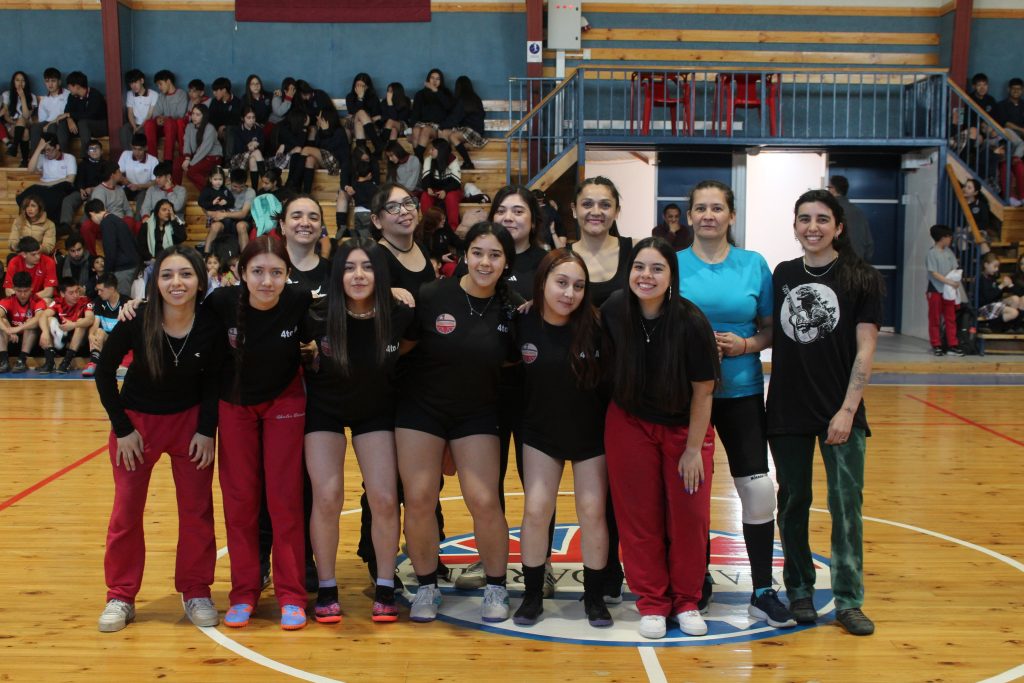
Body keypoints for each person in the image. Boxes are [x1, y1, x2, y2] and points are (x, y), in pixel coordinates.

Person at [676, 179, 796, 628]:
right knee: (692, 491)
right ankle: (695, 580)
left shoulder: (753, 265)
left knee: (757, 489)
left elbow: (770, 330)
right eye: (700, 208)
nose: (709, 215)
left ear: (731, 216)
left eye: (717, 208)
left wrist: (745, 345)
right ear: (689, 216)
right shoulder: (672, 263)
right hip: (686, 397)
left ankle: (763, 589)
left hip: (742, 392)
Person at [767, 188, 884, 637]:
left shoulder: (861, 278)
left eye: (821, 219)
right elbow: (774, 334)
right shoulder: (783, 275)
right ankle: (799, 589)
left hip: (841, 412)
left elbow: (866, 351)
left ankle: (850, 600)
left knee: (845, 506)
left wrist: (847, 410)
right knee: (793, 503)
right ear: (795, 225)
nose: (811, 226)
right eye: (803, 218)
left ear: (838, 226)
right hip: (788, 409)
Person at [397, 222, 521, 624]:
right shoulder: (433, 295)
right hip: (422, 410)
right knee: (418, 497)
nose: (486, 262)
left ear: (506, 262)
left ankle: (496, 587)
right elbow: (403, 350)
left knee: (484, 500)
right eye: (479, 252)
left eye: (495, 255)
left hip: (477, 414)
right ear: (465, 255)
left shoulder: (512, 308)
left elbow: (513, 363)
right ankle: (426, 586)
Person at [93, 246, 221, 633]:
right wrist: (123, 429)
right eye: (167, 275)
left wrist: (206, 429)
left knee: (197, 510)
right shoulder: (138, 318)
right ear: (154, 281)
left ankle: (196, 589)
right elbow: (103, 374)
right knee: (126, 512)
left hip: (190, 425)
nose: (176, 283)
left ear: (200, 281)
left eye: (185, 274)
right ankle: (121, 595)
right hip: (137, 427)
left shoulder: (211, 322)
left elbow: (215, 381)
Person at [601, 237, 719, 639]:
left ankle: (686, 600)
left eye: (657, 269)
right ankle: (651, 602)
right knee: (638, 517)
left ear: (672, 276)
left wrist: (692, 450)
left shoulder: (691, 321)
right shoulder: (615, 309)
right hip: (629, 424)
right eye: (639, 267)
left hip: (685, 430)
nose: (646, 276)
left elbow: (703, 390)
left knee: (689, 517)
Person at [303, 237, 413, 623]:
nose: (358, 274)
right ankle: (328, 586)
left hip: (375, 412)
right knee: (328, 495)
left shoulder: (398, 313)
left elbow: (414, 347)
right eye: (349, 267)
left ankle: (385, 584)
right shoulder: (315, 313)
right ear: (337, 275)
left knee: (384, 498)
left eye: (367, 267)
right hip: (325, 411)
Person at [205, 235, 313, 630]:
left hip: (285, 403)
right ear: (241, 273)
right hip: (235, 406)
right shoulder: (220, 303)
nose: (267, 281)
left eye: (276, 272)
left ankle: (291, 595)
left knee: (284, 500)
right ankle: (244, 592)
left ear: (288, 274)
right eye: (258, 272)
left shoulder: (299, 302)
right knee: (239, 500)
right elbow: (170, 309)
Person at [512, 249, 612, 628]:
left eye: (579, 286)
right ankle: (532, 594)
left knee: (592, 511)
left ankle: (595, 598)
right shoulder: (522, 322)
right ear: (542, 283)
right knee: (537, 510)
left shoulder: (599, 325)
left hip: (590, 435)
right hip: (540, 433)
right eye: (561, 283)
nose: (569, 293)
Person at [566, 176, 630, 600]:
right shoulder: (560, 259)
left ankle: (615, 566)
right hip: (574, 383)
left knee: (619, 483)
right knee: (581, 483)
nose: (595, 211)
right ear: (573, 210)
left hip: (623, 382)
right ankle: (588, 567)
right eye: (587, 203)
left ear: (616, 211)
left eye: (604, 204)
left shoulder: (635, 253)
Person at [85, 198, 140, 298]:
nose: (93, 222)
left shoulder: (106, 223)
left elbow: (110, 250)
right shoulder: (116, 219)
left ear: (92, 213)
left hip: (123, 268)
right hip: (132, 264)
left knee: (123, 302)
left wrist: (107, 273)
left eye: (91, 218)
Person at [18, 133, 76, 226]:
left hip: (61, 185)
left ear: (57, 147)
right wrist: (39, 149)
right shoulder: (43, 157)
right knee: (23, 197)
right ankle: (25, 225)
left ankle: (48, 226)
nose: (47, 153)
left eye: (49, 150)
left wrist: (48, 184)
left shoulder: (69, 158)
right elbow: (30, 170)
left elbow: (70, 179)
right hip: (44, 186)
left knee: (50, 198)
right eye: (44, 151)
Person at [39, 277, 94, 374]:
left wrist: (73, 324)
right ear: (62, 294)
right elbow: (43, 315)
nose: (76, 295)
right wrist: (45, 333)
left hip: (79, 339)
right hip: (61, 335)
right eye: (71, 293)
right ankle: (50, 362)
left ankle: (66, 362)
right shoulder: (58, 302)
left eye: (77, 291)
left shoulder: (85, 301)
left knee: (81, 322)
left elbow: (90, 319)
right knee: (48, 319)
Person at [925, 224, 964, 356]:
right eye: (949, 236)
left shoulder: (949, 252)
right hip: (935, 290)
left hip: (948, 291)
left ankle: (952, 344)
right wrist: (949, 281)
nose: (951, 239)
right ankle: (936, 344)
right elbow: (933, 273)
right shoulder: (932, 253)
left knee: (950, 318)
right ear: (942, 238)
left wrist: (955, 280)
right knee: (935, 318)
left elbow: (955, 268)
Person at [0, 271, 48, 374]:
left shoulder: (38, 301)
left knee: (32, 322)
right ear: (13, 289)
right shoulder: (8, 300)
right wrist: (8, 331)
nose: (22, 295)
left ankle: (22, 360)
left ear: (31, 288)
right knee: (2, 321)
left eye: (26, 291)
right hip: (12, 338)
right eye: (19, 291)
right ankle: (3, 360)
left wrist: (18, 328)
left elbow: (40, 317)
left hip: (32, 342)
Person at [440, 76, 486, 169]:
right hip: (472, 130)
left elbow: (454, 118)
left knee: (453, 136)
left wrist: (441, 125)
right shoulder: (476, 98)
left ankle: (468, 162)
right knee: (444, 133)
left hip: (473, 132)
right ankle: (444, 162)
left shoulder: (462, 100)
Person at [84, 273, 125, 378]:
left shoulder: (127, 302)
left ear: (111, 289)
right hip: (105, 341)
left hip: (121, 342)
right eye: (97, 290)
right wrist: (91, 335)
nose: (98, 293)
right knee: (98, 332)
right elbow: (95, 323)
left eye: (101, 290)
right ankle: (94, 362)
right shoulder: (99, 302)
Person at [56, 71, 108, 153]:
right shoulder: (72, 96)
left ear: (77, 86)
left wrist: (69, 115)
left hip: (100, 125)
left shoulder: (95, 95)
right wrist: (69, 119)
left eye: (69, 86)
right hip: (81, 127)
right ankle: (65, 156)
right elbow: (67, 111)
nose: (68, 89)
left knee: (83, 123)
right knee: (63, 121)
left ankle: (85, 156)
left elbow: (90, 114)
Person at [418, 139, 463, 230]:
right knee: (425, 195)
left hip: (451, 190)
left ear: (441, 150)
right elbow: (425, 178)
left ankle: (452, 228)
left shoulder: (452, 160)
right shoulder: (429, 159)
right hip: (435, 190)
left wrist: (445, 191)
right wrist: (428, 188)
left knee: (451, 196)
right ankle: (427, 227)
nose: (430, 152)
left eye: (433, 149)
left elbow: (456, 182)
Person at [828, 176, 874, 261]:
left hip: (835, 265)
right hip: (857, 265)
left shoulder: (829, 211)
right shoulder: (858, 212)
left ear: (833, 189)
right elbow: (869, 243)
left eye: (828, 187)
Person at [411, 69, 453, 160]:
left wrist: (435, 91)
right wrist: (412, 126)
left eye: (437, 79)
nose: (434, 81)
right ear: (428, 79)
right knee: (416, 130)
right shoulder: (420, 94)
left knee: (426, 129)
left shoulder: (445, 93)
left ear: (441, 81)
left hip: (437, 127)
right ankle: (419, 160)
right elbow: (415, 113)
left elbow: (449, 107)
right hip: (422, 124)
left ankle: (417, 159)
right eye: (432, 78)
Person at [181, 104, 223, 190]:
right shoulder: (189, 127)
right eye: (193, 114)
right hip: (199, 157)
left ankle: (211, 191)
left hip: (213, 157)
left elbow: (204, 149)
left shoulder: (210, 128)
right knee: (177, 165)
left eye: (198, 114)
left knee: (191, 172)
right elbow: (187, 143)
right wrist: (187, 158)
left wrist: (191, 164)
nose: (194, 117)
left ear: (204, 116)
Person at [28, 67, 69, 156]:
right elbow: (43, 120)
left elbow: (69, 113)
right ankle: (35, 156)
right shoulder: (44, 100)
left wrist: (49, 124)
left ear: (59, 82)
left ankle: (56, 155)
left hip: (63, 123)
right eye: (47, 81)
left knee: (52, 127)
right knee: (35, 127)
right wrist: (45, 125)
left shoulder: (67, 95)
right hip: (48, 123)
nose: (50, 84)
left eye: (53, 81)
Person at [150, 70, 188, 163]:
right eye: (158, 85)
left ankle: (168, 160)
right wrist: (158, 118)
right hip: (162, 127)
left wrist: (166, 118)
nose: (159, 87)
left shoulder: (181, 94)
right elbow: (156, 113)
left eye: (160, 84)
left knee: (170, 123)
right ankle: (152, 159)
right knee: (148, 123)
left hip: (174, 127)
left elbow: (180, 114)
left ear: (168, 81)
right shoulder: (161, 96)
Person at [2, 70, 37, 168]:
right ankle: (24, 161)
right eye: (17, 80)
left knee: (22, 120)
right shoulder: (7, 95)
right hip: (12, 125)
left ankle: (14, 146)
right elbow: (6, 115)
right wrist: (14, 123)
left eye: (23, 81)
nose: (20, 83)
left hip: (27, 123)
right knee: (24, 132)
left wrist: (22, 97)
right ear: (13, 82)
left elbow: (26, 116)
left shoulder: (32, 96)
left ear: (26, 83)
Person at [4, 236, 57, 301]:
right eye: (33, 254)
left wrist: (28, 300)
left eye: (39, 253)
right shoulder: (14, 262)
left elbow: (49, 292)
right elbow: (8, 291)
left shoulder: (48, 262)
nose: (38, 257)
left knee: (47, 300)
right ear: (24, 254)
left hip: (39, 298)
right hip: (20, 299)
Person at [119, 69, 159, 154]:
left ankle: (140, 156)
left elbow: (149, 115)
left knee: (142, 132)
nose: (133, 86)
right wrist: (134, 127)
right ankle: (128, 155)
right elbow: (130, 113)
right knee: (124, 129)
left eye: (135, 82)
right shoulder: (130, 94)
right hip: (134, 123)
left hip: (146, 124)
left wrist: (139, 127)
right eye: (131, 83)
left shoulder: (154, 94)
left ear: (142, 81)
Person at [138, 199, 187, 264]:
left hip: (171, 260)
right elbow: (141, 247)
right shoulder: (146, 225)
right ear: (157, 212)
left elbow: (182, 238)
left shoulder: (174, 224)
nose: (167, 212)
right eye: (164, 210)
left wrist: (173, 220)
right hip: (151, 261)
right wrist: (151, 259)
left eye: (169, 210)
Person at [345, 73, 382, 152]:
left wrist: (372, 117)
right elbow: (353, 112)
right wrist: (360, 98)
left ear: (367, 87)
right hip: (351, 124)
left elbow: (376, 114)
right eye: (357, 85)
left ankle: (362, 156)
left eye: (362, 86)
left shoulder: (373, 98)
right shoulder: (350, 97)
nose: (359, 88)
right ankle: (377, 144)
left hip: (370, 127)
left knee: (359, 124)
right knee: (360, 112)